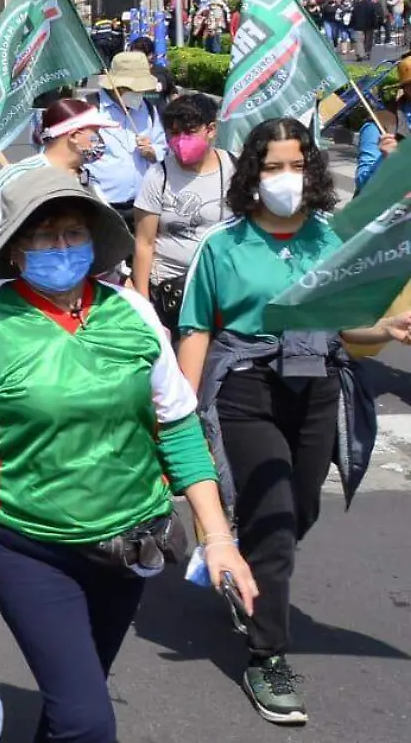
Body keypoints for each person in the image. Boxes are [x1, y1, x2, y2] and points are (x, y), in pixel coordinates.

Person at [0, 168, 254, 743]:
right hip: (30, 548)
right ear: (17, 250)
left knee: (75, 698)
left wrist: (219, 536)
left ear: (93, 241)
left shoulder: (132, 311)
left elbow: (177, 427)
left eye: (72, 233)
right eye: (42, 235)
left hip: (128, 546)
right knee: (88, 721)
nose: (59, 247)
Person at [175, 117, 411, 726]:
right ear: (253, 174)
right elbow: (197, 329)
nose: (288, 177)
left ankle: (242, 565)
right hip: (245, 389)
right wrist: (177, 417)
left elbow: (345, 323)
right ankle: (267, 654)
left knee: (299, 507)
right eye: (274, 166)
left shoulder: (329, 241)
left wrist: (381, 330)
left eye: (298, 164)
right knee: (276, 515)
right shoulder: (222, 247)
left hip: (316, 386)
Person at [130, 94, 234, 332]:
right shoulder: (159, 175)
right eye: (173, 133)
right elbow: (144, 243)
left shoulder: (234, 168)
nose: (180, 140)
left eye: (189, 132)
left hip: (223, 290)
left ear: (211, 130)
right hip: (171, 291)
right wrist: (144, 304)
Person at [0, 97, 114, 248]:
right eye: (95, 132)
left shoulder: (86, 178)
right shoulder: (17, 175)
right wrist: (23, 252)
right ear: (73, 136)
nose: (100, 140)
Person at [84, 53, 166, 219]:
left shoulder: (148, 109)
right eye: (133, 89)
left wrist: (153, 152)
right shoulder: (89, 109)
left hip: (142, 205)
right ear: (117, 86)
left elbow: (162, 146)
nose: (139, 94)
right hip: (101, 206)